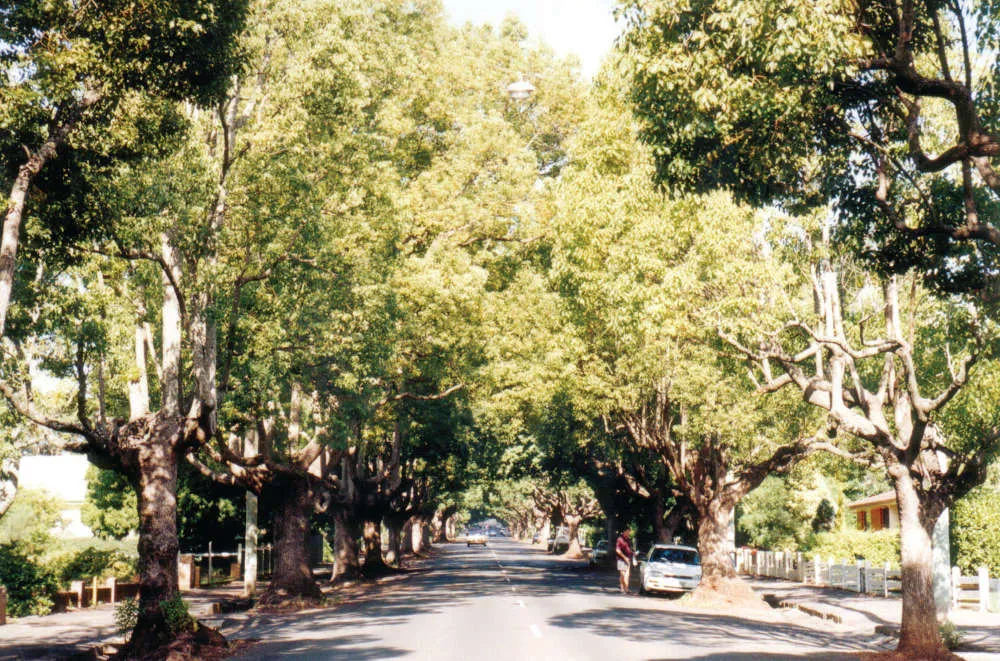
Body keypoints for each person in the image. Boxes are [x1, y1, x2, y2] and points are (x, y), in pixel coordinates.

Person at [615, 529, 634, 594]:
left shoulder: (629, 540)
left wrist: (633, 554)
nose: (628, 533)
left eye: (629, 532)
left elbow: (630, 549)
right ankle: (622, 587)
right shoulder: (620, 539)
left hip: (628, 559)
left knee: (627, 574)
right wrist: (624, 557)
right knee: (622, 574)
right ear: (624, 532)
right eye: (627, 532)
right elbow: (617, 550)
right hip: (621, 559)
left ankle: (626, 589)